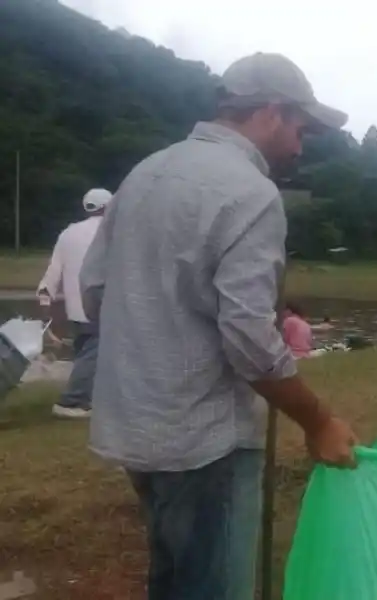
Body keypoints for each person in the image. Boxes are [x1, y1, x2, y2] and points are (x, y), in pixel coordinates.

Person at [79, 52, 358, 600]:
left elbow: (94, 293)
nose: (300, 146)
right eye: (300, 129)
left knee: (171, 576)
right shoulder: (251, 193)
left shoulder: (144, 173)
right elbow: (251, 340)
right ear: (272, 113)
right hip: (207, 441)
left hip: (135, 425)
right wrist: (319, 421)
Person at [37, 188, 112, 419]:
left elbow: (53, 271)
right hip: (101, 304)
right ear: (109, 207)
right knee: (94, 354)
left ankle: (88, 398)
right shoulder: (112, 232)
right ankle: (70, 401)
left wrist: (45, 299)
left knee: (85, 355)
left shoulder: (68, 233)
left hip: (75, 308)